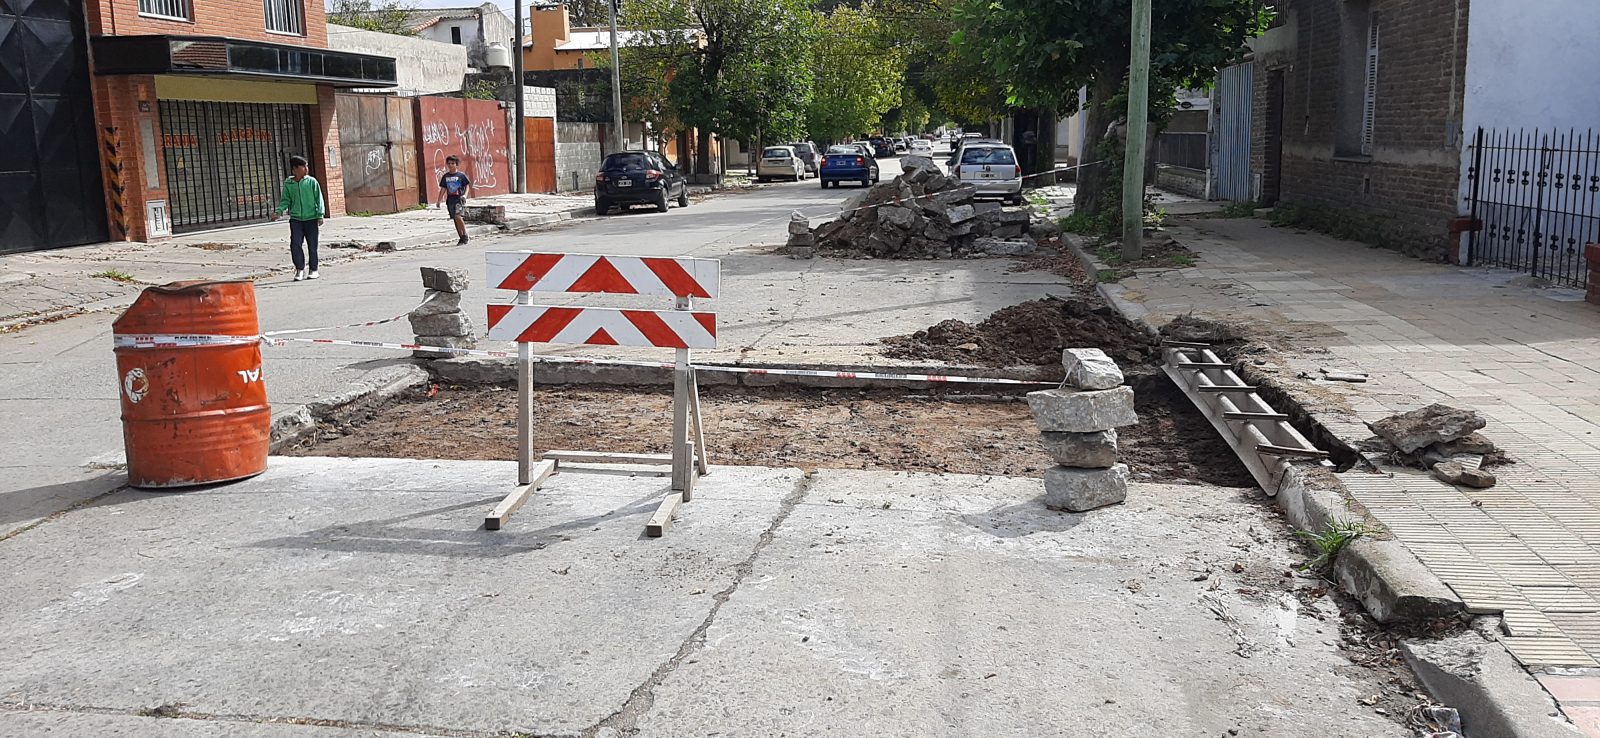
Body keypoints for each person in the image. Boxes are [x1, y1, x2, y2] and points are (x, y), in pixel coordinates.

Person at [272, 155, 325, 281]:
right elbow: (285, 200)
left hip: (311, 218)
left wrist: (320, 215)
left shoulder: (312, 182)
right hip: (296, 220)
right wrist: (279, 211)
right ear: (295, 169)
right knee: (295, 244)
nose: (306, 169)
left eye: (307, 166)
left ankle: (313, 269)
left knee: (312, 245)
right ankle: (299, 269)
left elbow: (319, 199)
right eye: (303, 166)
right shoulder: (289, 184)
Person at [437, 156, 473, 245]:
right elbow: (443, 189)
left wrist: (465, 195)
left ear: (456, 164)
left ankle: (465, 234)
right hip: (450, 200)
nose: (450, 165)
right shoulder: (446, 176)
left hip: (459, 199)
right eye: (449, 163)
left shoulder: (461, 175)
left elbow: (467, 186)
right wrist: (439, 200)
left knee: (458, 216)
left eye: (452, 163)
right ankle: (461, 237)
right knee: (455, 219)